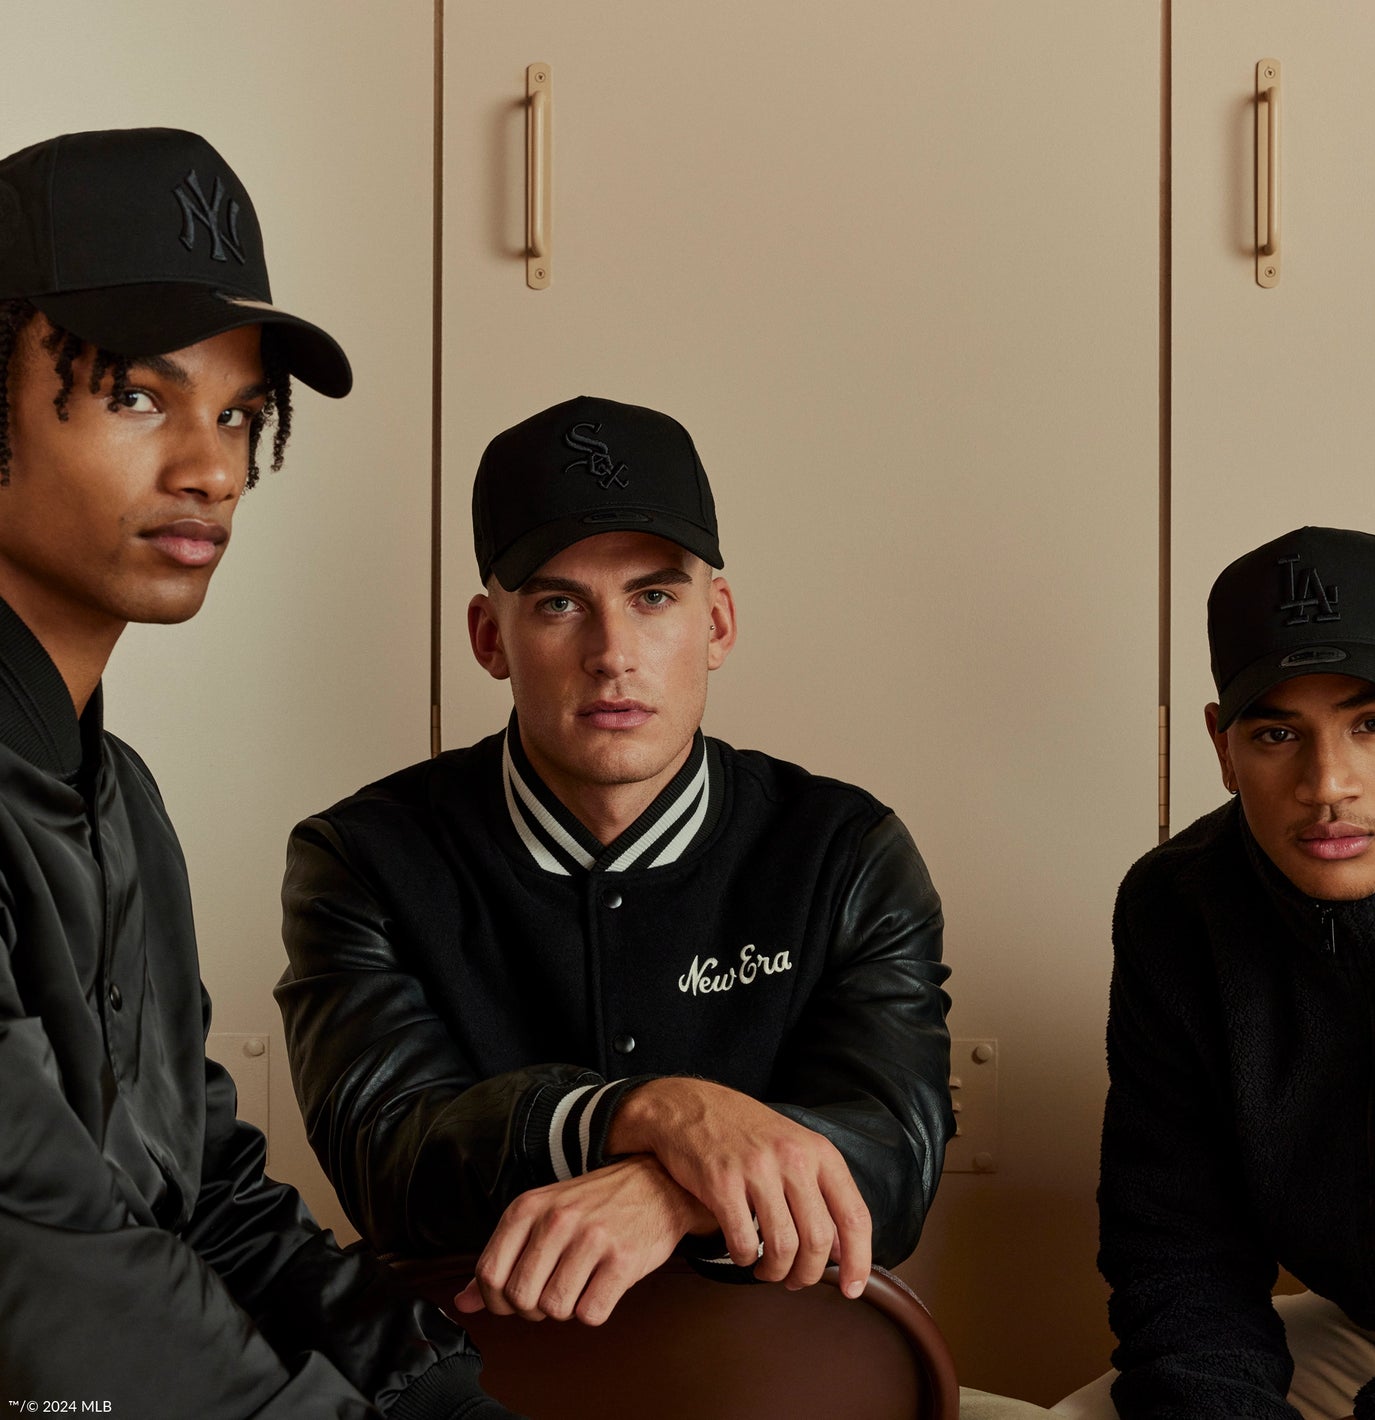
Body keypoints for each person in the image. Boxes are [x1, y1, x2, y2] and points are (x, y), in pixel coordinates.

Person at [0, 127, 521, 1419]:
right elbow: (45, 1284)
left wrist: (427, 1380)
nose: (215, 469)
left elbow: (203, 1190)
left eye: (238, 414)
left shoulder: (120, 798)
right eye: (137, 396)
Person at [277, 393, 955, 1327]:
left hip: (769, 1373)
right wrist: (644, 1113)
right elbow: (390, 1161)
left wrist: (672, 1190)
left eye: (653, 597)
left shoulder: (843, 851)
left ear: (715, 623)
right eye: (560, 604)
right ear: (490, 639)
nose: (612, 654)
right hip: (469, 1379)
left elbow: (897, 1159)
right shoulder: (363, 859)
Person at [1052, 526, 1375, 1420]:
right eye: (1276, 733)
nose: (1326, 782)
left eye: (1373, 723)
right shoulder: (1177, 908)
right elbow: (1179, 1240)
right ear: (1222, 745)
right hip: (1374, 1324)